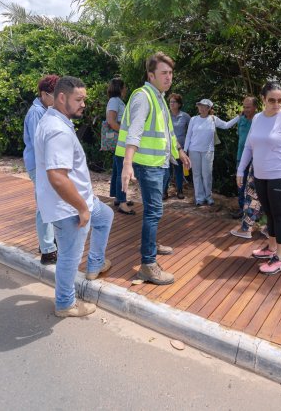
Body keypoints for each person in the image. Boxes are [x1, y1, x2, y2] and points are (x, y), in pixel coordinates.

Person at [34, 76, 114, 317]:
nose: (83, 105)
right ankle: (65, 304)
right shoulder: (58, 130)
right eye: (78, 100)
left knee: (105, 216)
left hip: (79, 200)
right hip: (69, 207)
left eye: (84, 100)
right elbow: (57, 177)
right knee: (69, 257)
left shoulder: (52, 119)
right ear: (61, 98)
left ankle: (96, 264)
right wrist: (82, 208)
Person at [117, 52, 191, 285]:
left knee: (154, 211)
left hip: (161, 164)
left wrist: (179, 151)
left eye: (170, 73)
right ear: (151, 75)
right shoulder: (143, 97)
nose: (169, 77)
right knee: (153, 212)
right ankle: (148, 265)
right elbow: (135, 132)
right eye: (164, 73)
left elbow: (168, 132)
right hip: (148, 165)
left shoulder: (158, 97)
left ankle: (152, 245)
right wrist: (127, 164)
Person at [237, 82, 281, 275]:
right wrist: (240, 170)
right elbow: (249, 146)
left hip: (280, 176)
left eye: (280, 100)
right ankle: (271, 248)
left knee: (279, 215)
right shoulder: (257, 118)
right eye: (272, 100)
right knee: (270, 214)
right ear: (263, 99)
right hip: (260, 175)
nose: (277, 103)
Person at [23, 74, 59, 265]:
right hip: (40, 165)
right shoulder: (37, 112)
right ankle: (47, 251)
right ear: (45, 94)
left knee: (48, 204)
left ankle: (47, 243)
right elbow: (40, 145)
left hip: (43, 164)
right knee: (44, 205)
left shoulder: (45, 109)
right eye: (55, 94)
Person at [184, 98, 240, 206]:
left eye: (204, 106)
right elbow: (188, 135)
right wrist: (185, 151)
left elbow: (226, 125)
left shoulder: (213, 119)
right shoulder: (194, 119)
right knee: (196, 174)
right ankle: (199, 198)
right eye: (200, 105)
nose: (201, 108)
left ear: (209, 108)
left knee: (207, 174)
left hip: (208, 151)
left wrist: (238, 117)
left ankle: (208, 197)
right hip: (193, 150)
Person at [105, 77, 135, 215]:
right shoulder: (114, 101)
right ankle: (122, 203)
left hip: (121, 142)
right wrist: (126, 134)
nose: (126, 89)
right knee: (122, 171)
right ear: (120, 88)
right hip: (121, 142)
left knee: (118, 170)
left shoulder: (117, 101)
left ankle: (119, 198)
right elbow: (111, 121)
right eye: (124, 87)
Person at [232, 96, 257, 219]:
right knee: (240, 184)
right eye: (244, 107)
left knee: (254, 186)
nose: (245, 109)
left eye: (248, 107)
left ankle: (253, 212)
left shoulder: (259, 120)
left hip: (256, 159)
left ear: (255, 107)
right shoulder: (241, 120)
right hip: (240, 156)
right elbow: (240, 137)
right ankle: (242, 209)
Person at [164, 92, 190, 200]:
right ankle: (164, 192)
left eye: (174, 102)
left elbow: (192, 131)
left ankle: (179, 191)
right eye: (170, 102)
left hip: (180, 149)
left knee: (179, 171)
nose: (172, 104)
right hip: (166, 148)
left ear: (179, 104)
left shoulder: (185, 116)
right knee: (166, 171)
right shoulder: (165, 115)